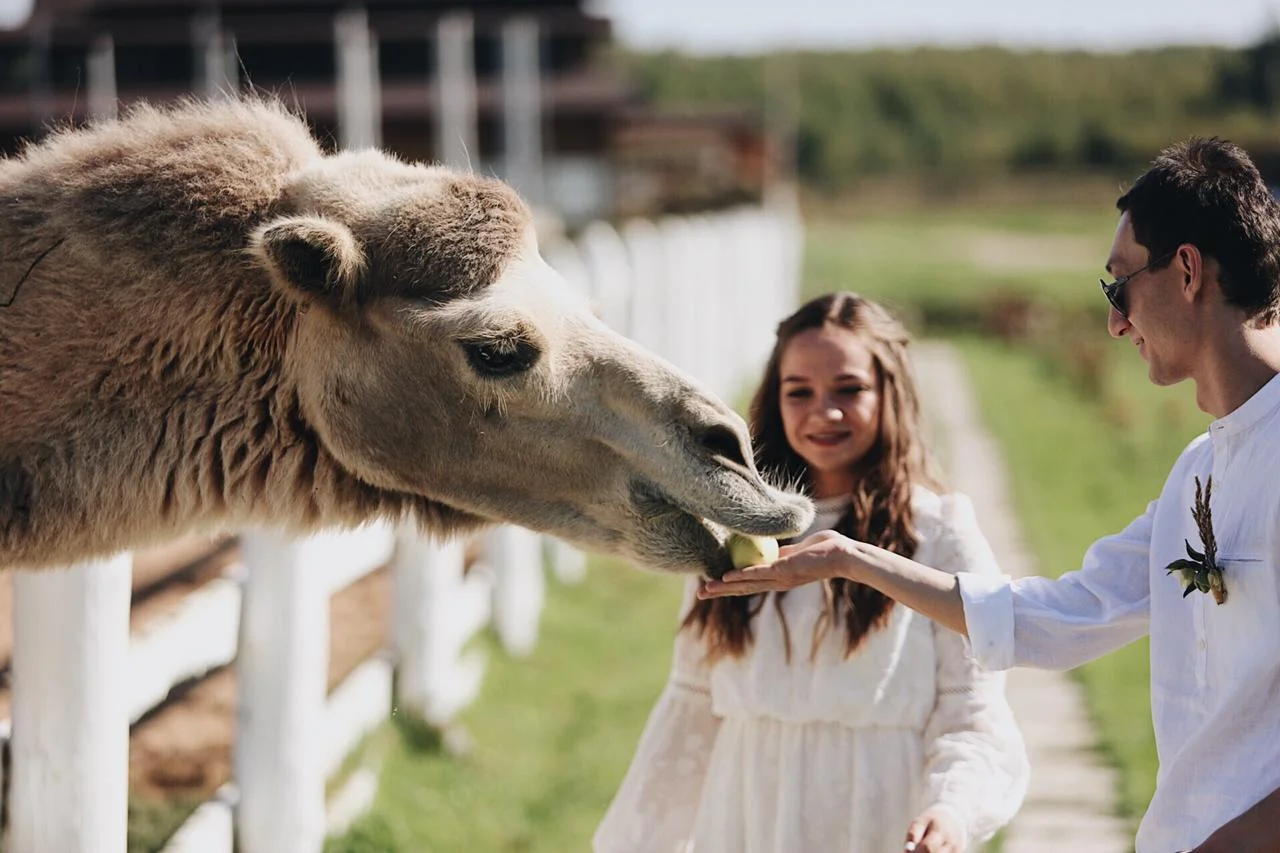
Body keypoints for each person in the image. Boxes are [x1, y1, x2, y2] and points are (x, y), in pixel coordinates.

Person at [700, 138, 1280, 853]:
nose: (1115, 321)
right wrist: (852, 558)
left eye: (1118, 285)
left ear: (1188, 270)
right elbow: (1060, 614)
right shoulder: (1200, 469)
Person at [595, 293, 1028, 853]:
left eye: (849, 389)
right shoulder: (732, 530)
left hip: (876, 817)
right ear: (775, 400)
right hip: (746, 818)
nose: (824, 412)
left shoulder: (938, 532)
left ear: (888, 393)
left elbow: (973, 712)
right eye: (799, 392)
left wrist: (951, 811)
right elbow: (692, 705)